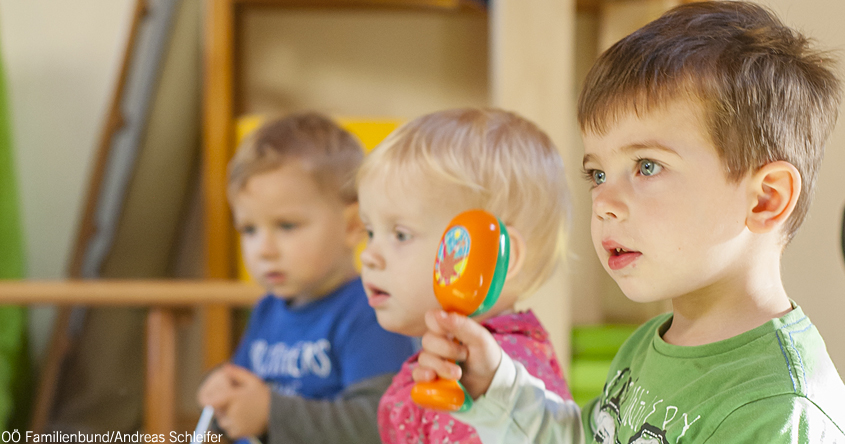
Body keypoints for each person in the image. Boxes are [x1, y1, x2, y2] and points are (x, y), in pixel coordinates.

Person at [413, 2, 845, 443]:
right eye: (598, 174)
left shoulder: (779, 411)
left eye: (647, 166)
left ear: (765, 198)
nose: (603, 204)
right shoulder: (647, 345)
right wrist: (494, 388)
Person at [356, 107, 582, 444]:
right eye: (370, 231)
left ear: (497, 256)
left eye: (401, 235)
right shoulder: (452, 355)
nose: (368, 256)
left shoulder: (494, 383)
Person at [196, 113, 417, 444]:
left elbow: (380, 423)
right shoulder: (267, 310)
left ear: (353, 225)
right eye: (249, 229)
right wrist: (225, 394)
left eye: (287, 226)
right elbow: (246, 396)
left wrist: (270, 413)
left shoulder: (373, 312)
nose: (264, 250)